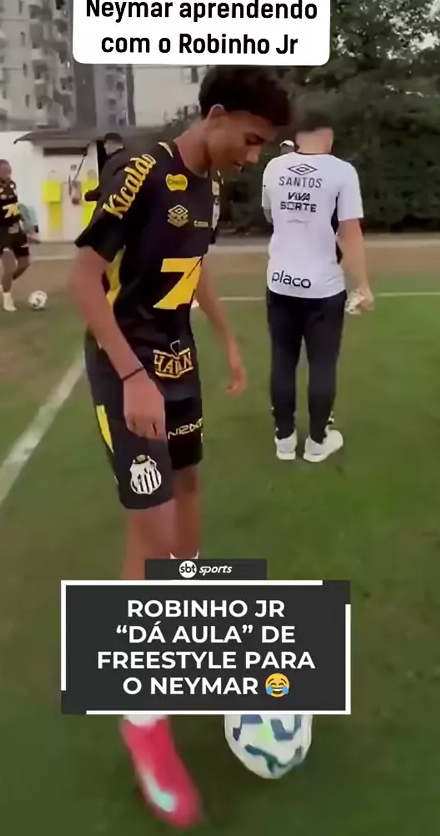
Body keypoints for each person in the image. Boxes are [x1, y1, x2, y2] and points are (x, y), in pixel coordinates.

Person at [70, 65, 291, 829]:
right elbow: (83, 280)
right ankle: (140, 718)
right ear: (217, 114)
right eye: (251, 140)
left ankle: (181, 636)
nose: (253, 156)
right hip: (126, 369)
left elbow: (191, 271)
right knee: (155, 532)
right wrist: (132, 376)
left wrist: (226, 340)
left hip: (178, 361)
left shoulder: (212, 191)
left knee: (190, 496)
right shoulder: (139, 171)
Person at [262, 110, 374, 463]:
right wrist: (363, 285)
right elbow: (350, 232)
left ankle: (284, 440)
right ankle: (317, 442)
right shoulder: (342, 172)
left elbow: (270, 214)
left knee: (282, 360)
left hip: (280, 282)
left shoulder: (273, 168)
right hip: (323, 287)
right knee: (322, 364)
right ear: (327, 136)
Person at [0, 160, 31, 312]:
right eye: (5, 171)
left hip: (18, 230)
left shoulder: (12, 185)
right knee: (9, 267)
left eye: (9, 170)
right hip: (3, 232)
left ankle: (4, 284)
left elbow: (15, 206)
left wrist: (26, 221)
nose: (8, 174)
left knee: (24, 264)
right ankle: (7, 299)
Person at [83, 131, 126, 204]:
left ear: (110, 143)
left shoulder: (112, 163)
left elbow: (106, 187)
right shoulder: (133, 158)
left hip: (118, 204)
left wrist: (89, 195)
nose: (104, 147)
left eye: (105, 144)